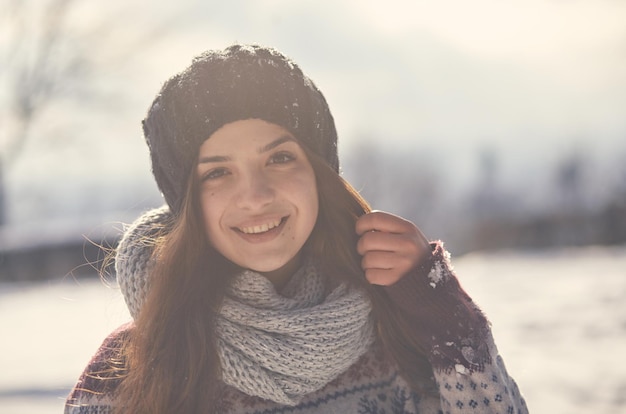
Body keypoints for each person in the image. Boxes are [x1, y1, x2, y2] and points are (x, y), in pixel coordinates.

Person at [65, 44, 528, 414]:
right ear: (186, 205)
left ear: (320, 173)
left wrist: (445, 315)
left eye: (280, 158)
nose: (256, 195)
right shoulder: (130, 372)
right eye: (217, 173)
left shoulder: (398, 324)